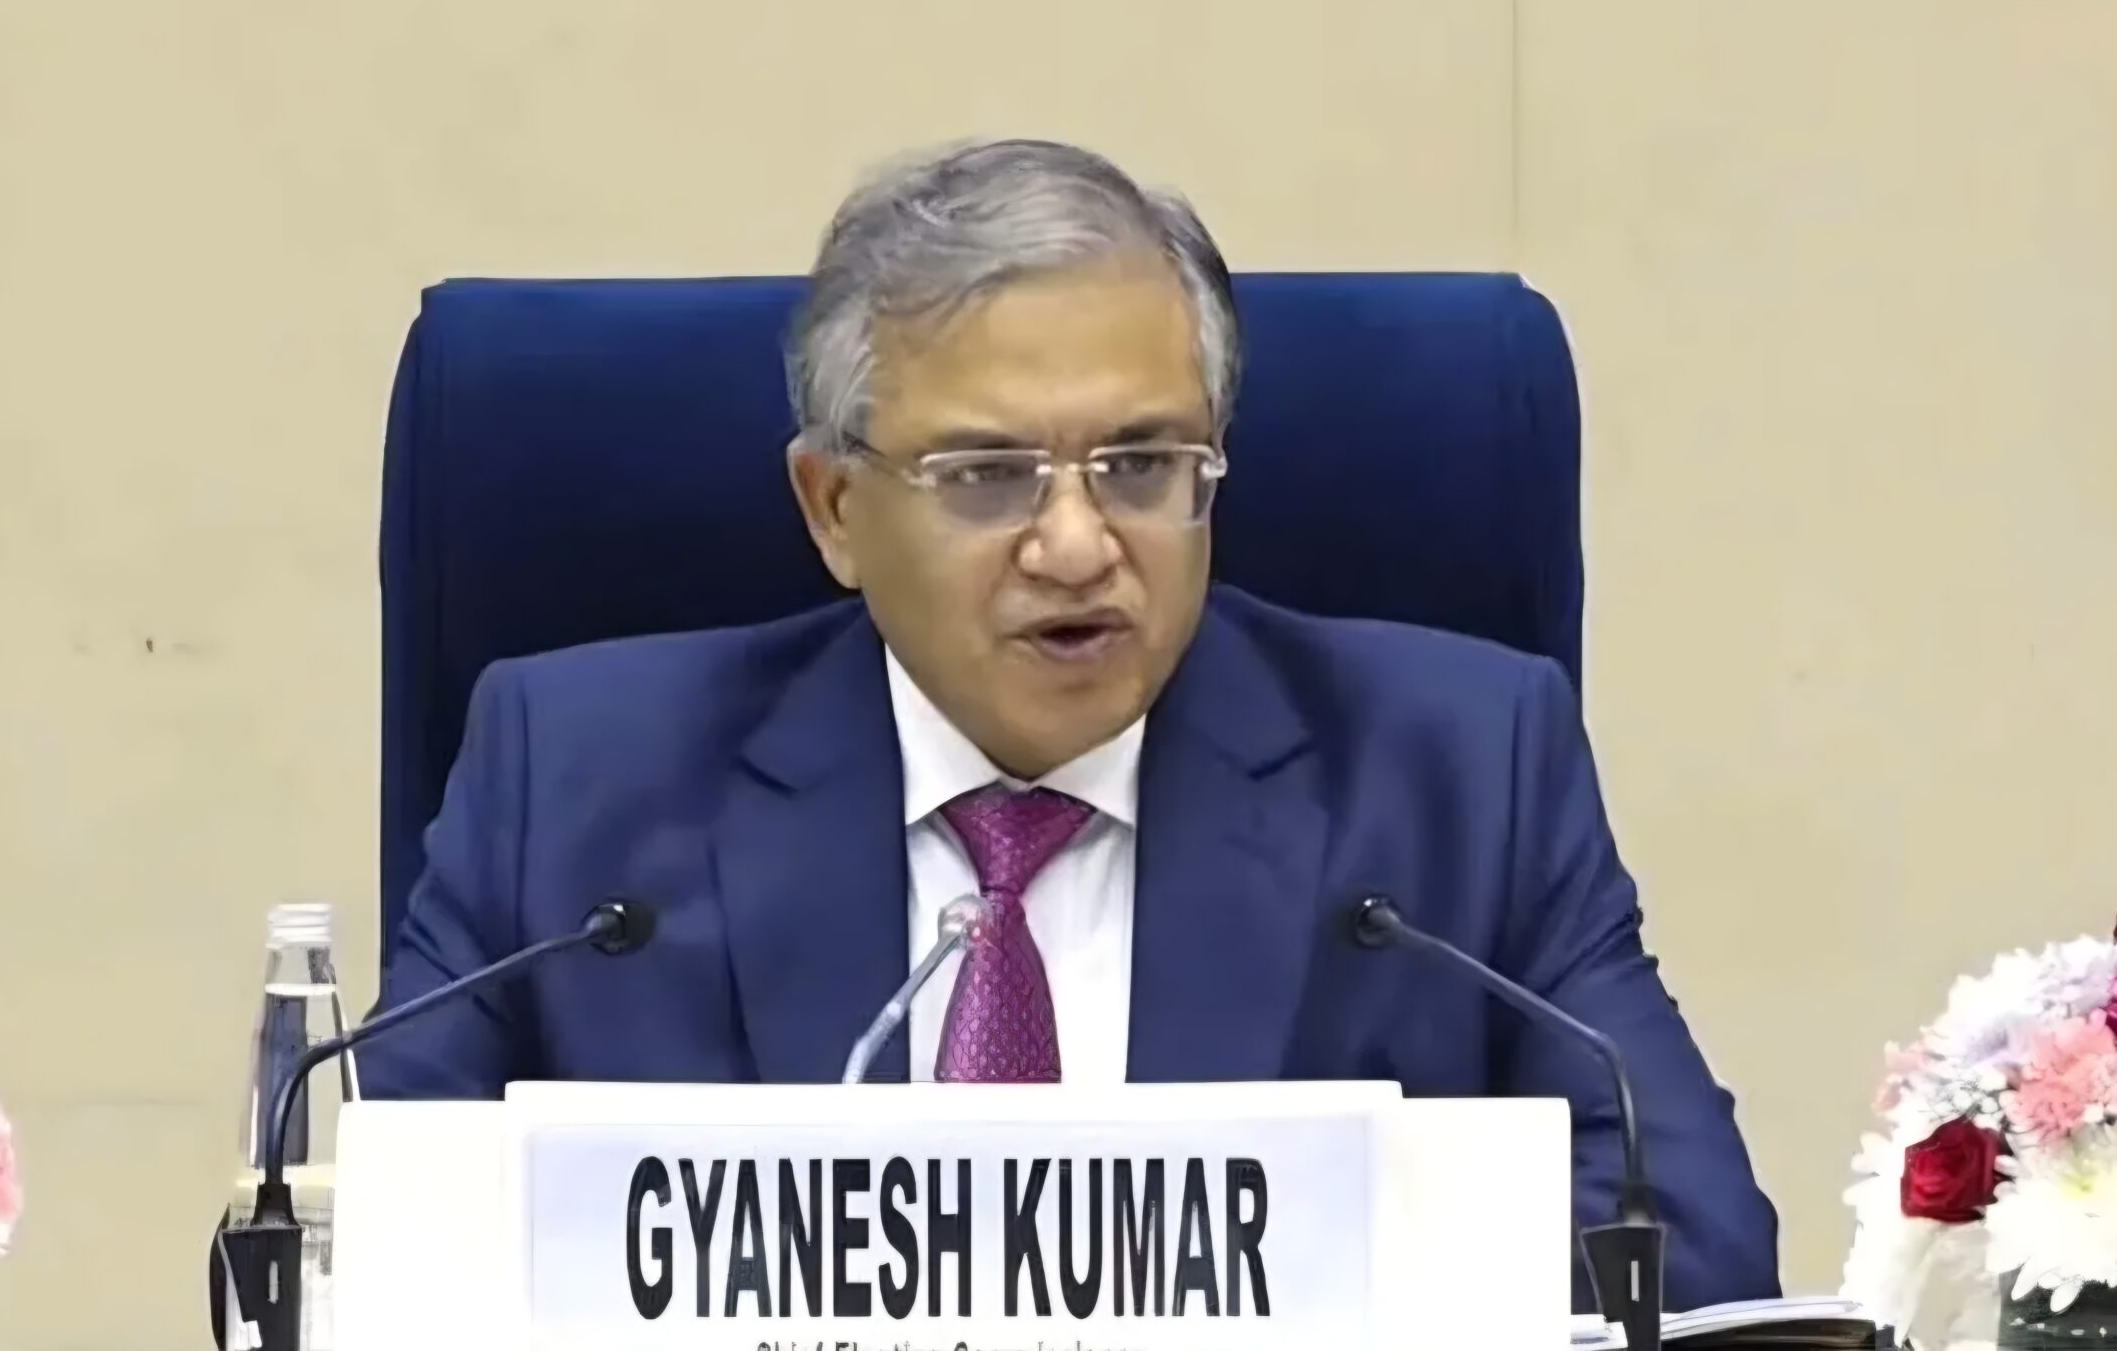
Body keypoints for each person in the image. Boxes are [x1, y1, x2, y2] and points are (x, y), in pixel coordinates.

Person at [358, 137, 1781, 1308]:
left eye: (1143, 465)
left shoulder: (1465, 771)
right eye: (988, 476)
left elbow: (1690, 1254)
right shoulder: (572, 784)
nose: (1080, 545)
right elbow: (387, 1260)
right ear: (835, 510)